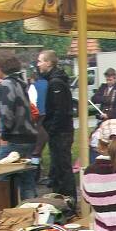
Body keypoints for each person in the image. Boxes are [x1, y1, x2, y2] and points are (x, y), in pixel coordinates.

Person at [0, 51, 37, 201]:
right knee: (26, 181)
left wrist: (4, 136)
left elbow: (6, 114)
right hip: (29, 136)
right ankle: (28, 212)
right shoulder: (20, 83)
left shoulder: (5, 85)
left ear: (1, 67)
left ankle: (0, 215)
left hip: (14, 138)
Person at [37, 50, 76, 204]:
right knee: (59, 167)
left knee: (62, 168)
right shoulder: (55, 80)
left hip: (61, 132)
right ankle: (63, 199)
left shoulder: (56, 83)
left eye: (40, 61)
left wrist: (51, 129)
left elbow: (59, 110)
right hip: (61, 131)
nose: (38, 64)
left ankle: (68, 200)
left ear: (49, 62)